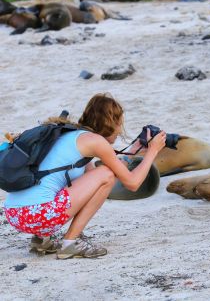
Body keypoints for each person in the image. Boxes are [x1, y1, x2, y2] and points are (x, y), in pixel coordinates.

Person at [3, 93, 166, 259]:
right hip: (38, 215)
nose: (119, 131)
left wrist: (131, 152)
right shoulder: (95, 141)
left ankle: (41, 240)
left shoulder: (67, 134)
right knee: (105, 174)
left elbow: (92, 182)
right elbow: (132, 183)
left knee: (94, 176)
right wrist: (152, 151)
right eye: (120, 124)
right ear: (112, 122)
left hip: (15, 215)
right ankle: (70, 243)